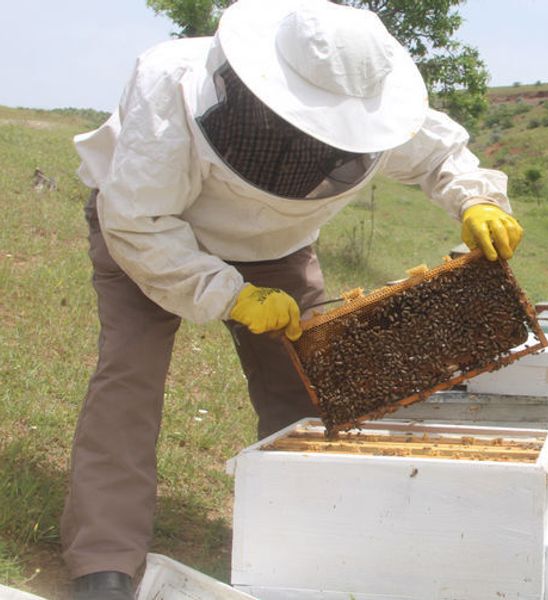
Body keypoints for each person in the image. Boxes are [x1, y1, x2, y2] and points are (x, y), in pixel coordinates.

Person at [63, 1, 522, 598]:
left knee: (305, 385)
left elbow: (437, 152)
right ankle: (105, 558)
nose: (316, 145)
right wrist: (228, 293)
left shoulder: (371, 105)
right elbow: (139, 221)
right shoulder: (170, 83)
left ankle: (313, 529)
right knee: (131, 376)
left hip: (277, 247)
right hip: (151, 231)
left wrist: (475, 198)